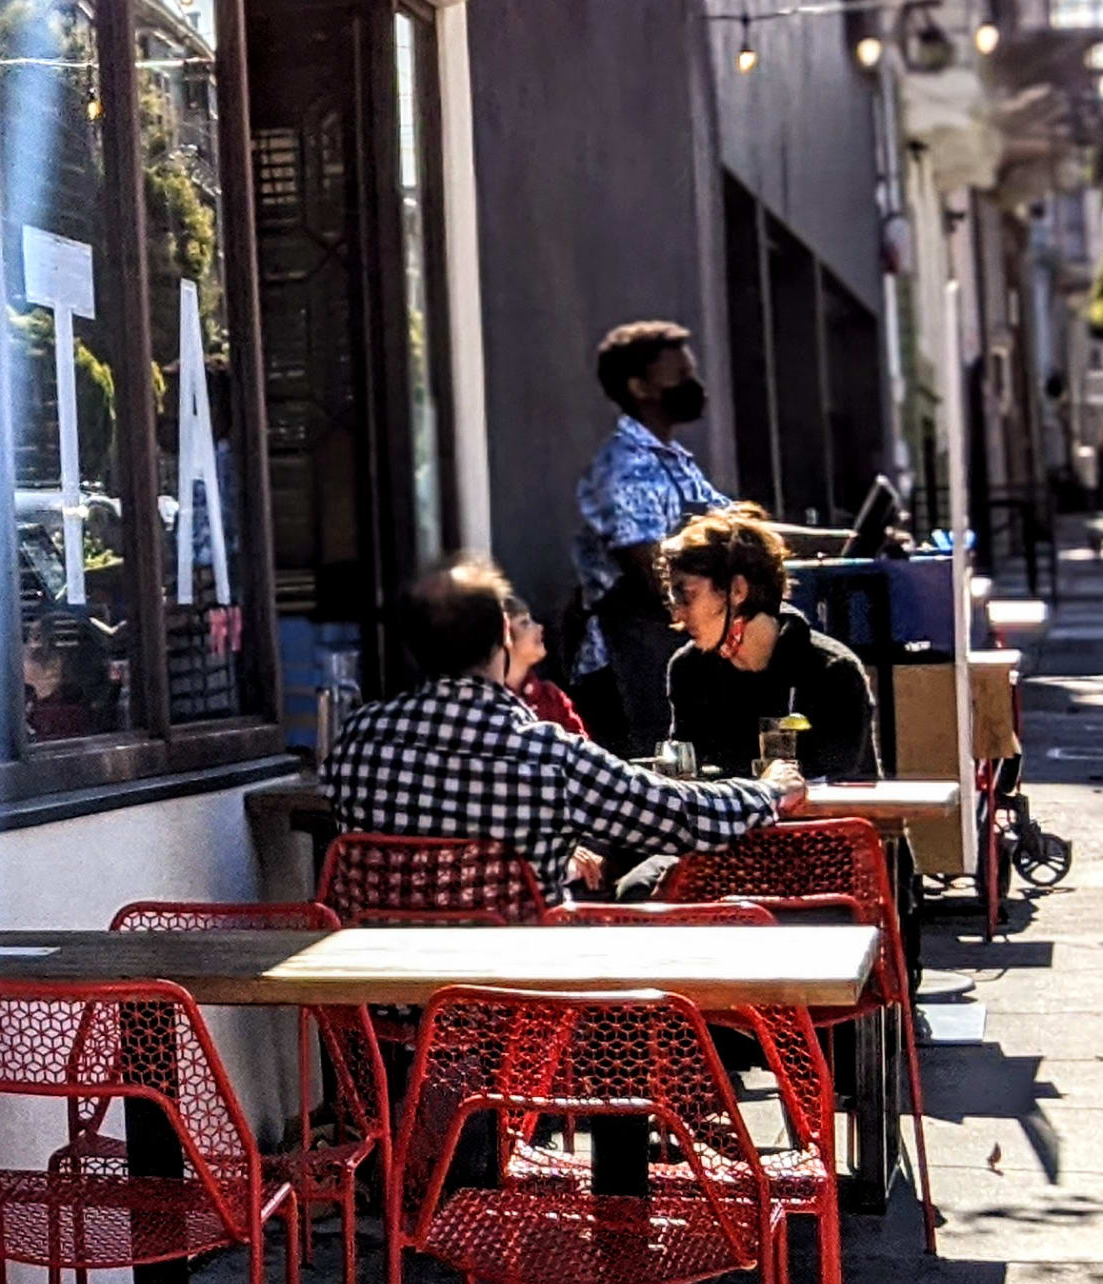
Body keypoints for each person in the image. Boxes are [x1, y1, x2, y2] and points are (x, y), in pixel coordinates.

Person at [328, 557, 784, 894]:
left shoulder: (357, 741)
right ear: (503, 637)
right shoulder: (546, 755)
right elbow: (683, 815)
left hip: (378, 1013)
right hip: (522, 1015)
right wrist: (770, 790)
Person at [571, 319, 733, 756]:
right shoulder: (623, 468)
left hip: (672, 657)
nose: (694, 385)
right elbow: (653, 575)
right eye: (680, 377)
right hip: (628, 674)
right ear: (640, 388)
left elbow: (740, 526)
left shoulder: (675, 461)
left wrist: (841, 540)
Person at [661, 506, 877, 781]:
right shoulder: (689, 670)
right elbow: (687, 772)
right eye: (673, 598)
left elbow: (843, 781)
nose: (678, 613)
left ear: (737, 590)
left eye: (687, 595)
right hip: (729, 822)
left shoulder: (830, 670)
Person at [502, 589, 586, 737]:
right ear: (504, 636)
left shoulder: (551, 697)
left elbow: (584, 749)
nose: (539, 627)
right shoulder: (490, 700)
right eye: (524, 623)